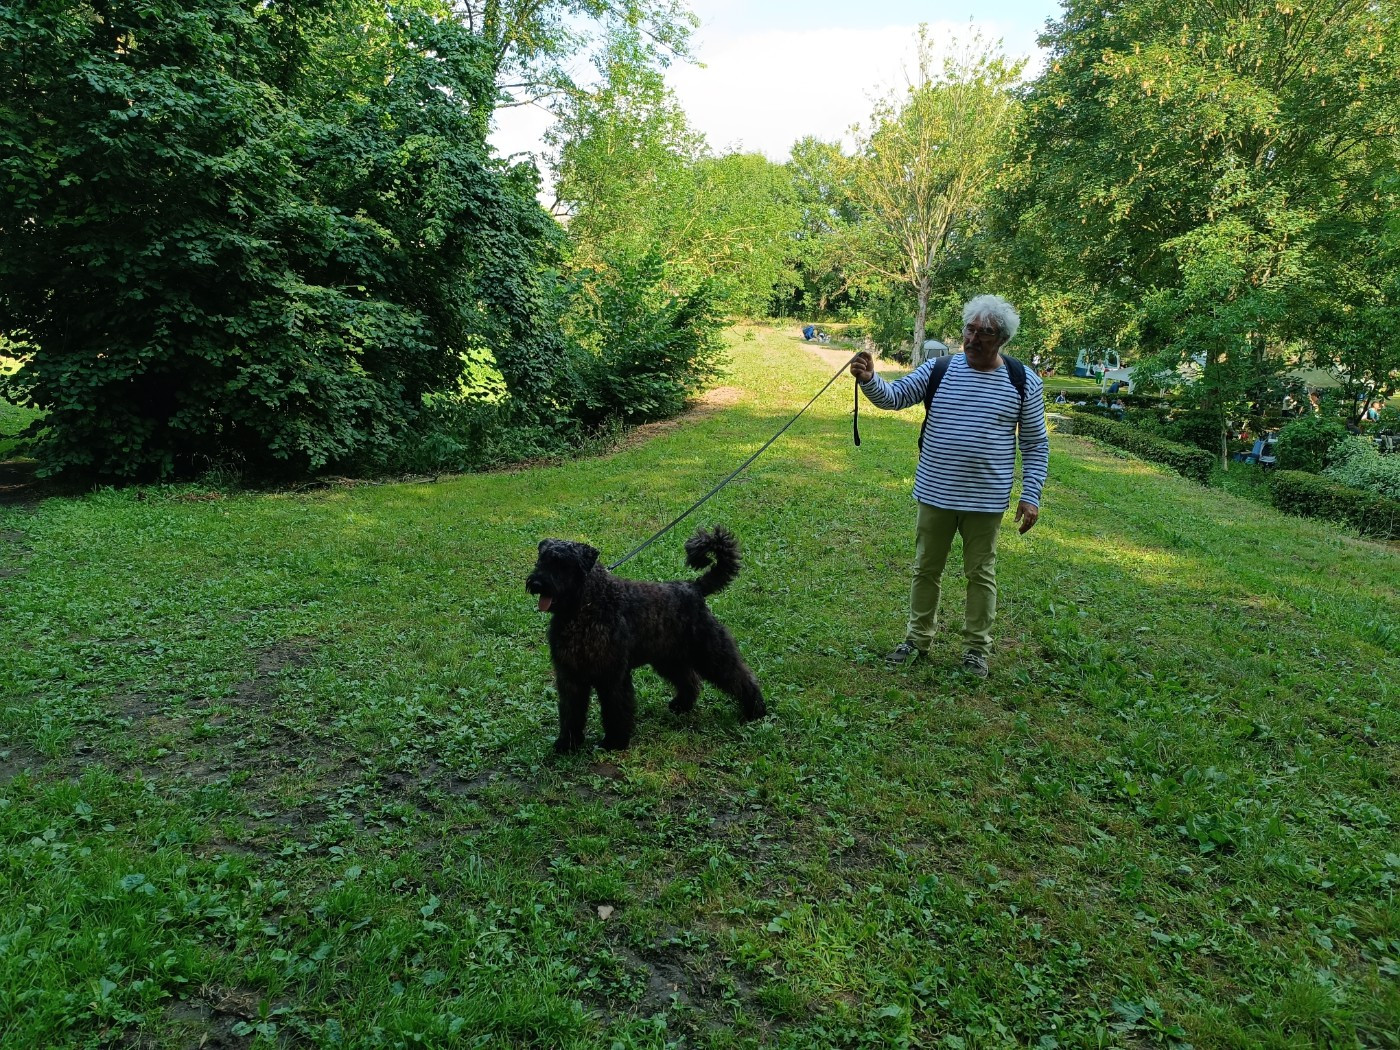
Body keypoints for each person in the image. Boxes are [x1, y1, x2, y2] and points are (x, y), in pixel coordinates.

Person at [849, 294, 1049, 679]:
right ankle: (917, 639)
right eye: (969, 329)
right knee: (926, 569)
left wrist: (1031, 494)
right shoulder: (939, 369)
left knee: (981, 574)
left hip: (986, 501)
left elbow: (1036, 444)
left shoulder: (1023, 381)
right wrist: (871, 379)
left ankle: (976, 650)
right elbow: (895, 398)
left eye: (985, 333)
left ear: (1001, 339)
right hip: (935, 493)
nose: (973, 339)